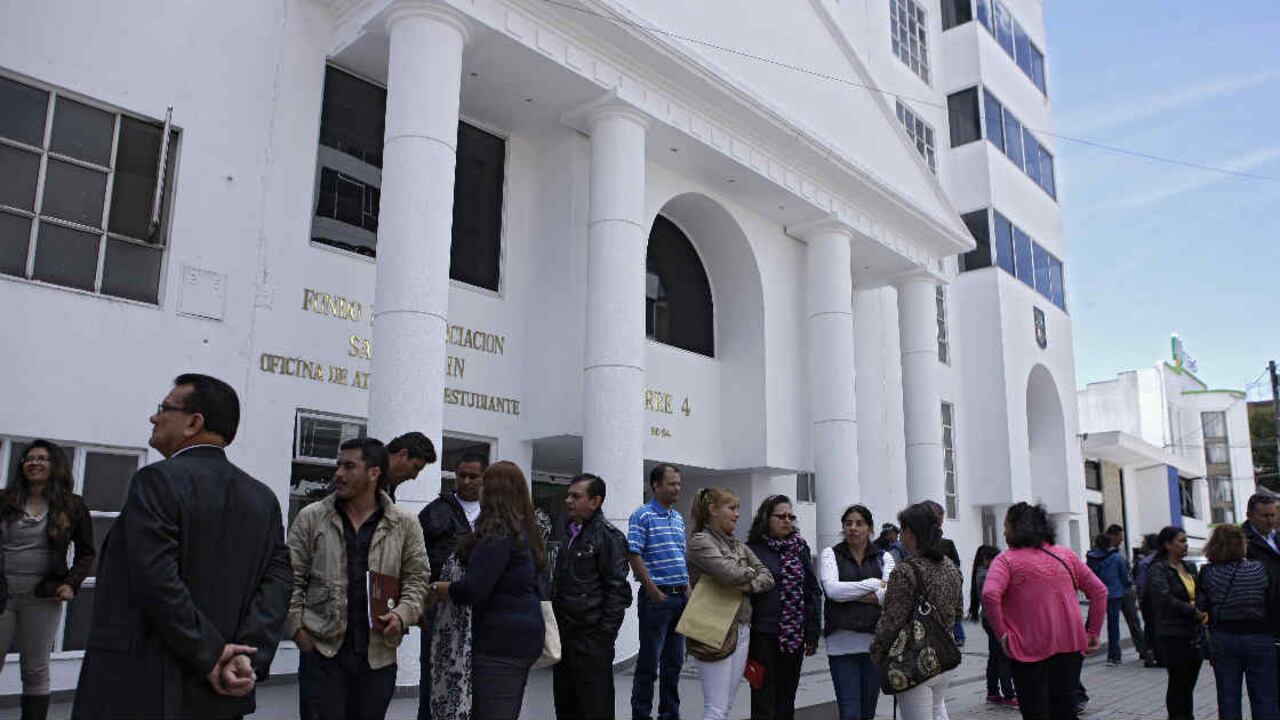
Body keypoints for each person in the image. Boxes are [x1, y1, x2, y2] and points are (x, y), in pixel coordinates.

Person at [72, 374, 293, 720]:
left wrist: (212, 654)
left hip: (145, 685)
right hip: (221, 693)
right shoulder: (262, 498)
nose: (154, 417)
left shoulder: (156, 480)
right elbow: (277, 584)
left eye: (164, 409)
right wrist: (245, 656)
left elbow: (156, 578)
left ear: (193, 422)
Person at [287, 437, 429, 720]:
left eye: (349, 466)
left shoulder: (404, 523)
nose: (338, 473)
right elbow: (290, 578)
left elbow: (417, 579)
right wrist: (297, 630)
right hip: (322, 655)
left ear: (374, 472)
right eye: (338, 465)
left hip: (378, 657)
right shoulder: (311, 518)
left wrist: (402, 615)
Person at [430, 461, 545, 720]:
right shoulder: (524, 530)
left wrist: (441, 588)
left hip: (500, 641)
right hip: (520, 637)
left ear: (491, 490)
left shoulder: (498, 532)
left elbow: (474, 589)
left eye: (481, 482)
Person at [982, 502, 1106, 720]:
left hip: (1027, 650)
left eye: (1006, 526)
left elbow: (990, 594)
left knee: (1036, 712)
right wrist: (1092, 631)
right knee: (1066, 711)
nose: (1003, 531)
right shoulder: (1066, 555)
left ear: (1016, 528)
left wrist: (1001, 634)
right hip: (1070, 648)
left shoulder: (1006, 560)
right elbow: (1099, 591)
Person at [0, 440, 94, 720]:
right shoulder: (5, 501)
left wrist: (71, 583)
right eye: (29, 458)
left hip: (43, 596)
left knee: (35, 668)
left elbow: (86, 553)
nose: (34, 463)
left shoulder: (72, 505)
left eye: (42, 458)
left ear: (55, 465)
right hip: (2, 592)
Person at [686, 487, 775, 720]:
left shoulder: (738, 544)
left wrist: (745, 582)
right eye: (731, 508)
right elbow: (729, 574)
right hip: (713, 626)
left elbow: (767, 576)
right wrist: (745, 574)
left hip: (742, 625)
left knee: (726, 704)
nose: (736, 514)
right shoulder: (700, 541)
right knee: (716, 707)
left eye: (737, 509)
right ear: (713, 510)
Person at [871, 503, 963, 720]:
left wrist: (878, 653)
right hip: (944, 654)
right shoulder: (950, 566)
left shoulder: (905, 571)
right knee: (937, 712)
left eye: (902, 530)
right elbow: (958, 610)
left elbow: (891, 621)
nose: (900, 535)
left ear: (911, 532)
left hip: (915, 659)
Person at [551, 473, 632, 720]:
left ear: (595, 502)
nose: (568, 500)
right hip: (565, 637)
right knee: (567, 706)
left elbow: (618, 592)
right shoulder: (570, 534)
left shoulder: (609, 537)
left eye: (576, 496)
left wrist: (603, 636)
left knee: (594, 708)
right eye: (568, 495)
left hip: (591, 641)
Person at [416, 452, 484, 720]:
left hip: (479, 610)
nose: (466, 481)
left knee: (474, 678)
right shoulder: (435, 512)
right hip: (439, 608)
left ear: (484, 479)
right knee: (434, 674)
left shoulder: (493, 515)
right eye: (461, 475)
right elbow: (415, 560)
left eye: (473, 476)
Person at [746, 495, 820, 720]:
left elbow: (811, 590)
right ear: (767, 518)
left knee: (786, 699)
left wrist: (812, 632)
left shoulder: (799, 548)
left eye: (791, 516)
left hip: (793, 636)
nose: (787, 521)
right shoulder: (752, 550)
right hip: (762, 635)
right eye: (781, 516)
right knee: (762, 698)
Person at [1197, 523, 1278, 720]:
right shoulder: (1258, 569)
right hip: (1259, 638)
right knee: (1264, 696)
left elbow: (1202, 605)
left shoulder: (1208, 572)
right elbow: (1272, 602)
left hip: (1224, 638)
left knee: (1228, 697)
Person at [822, 504, 894, 720]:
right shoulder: (830, 554)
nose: (853, 528)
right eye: (848, 523)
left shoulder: (884, 557)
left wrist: (851, 592)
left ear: (870, 529)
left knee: (868, 711)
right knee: (850, 711)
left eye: (859, 523)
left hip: (875, 643)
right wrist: (873, 584)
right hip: (841, 644)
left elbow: (889, 594)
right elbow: (832, 590)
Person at [628, 464, 688, 720]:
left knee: (674, 664)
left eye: (678, 484)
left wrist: (688, 590)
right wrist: (651, 589)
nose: (677, 488)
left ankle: (669, 715)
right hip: (657, 600)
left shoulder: (678, 518)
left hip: (680, 598)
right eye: (672, 483)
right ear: (656, 485)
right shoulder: (642, 515)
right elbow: (633, 552)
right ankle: (641, 715)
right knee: (649, 665)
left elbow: (680, 556)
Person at [1147, 526, 1205, 720]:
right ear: (1167, 544)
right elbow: (1164, 599)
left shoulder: (1188, 567)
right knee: (1178, 682)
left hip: (1193, 632)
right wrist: (1192, 611)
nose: (1185, 544)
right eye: (1181, 540)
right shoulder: (1158, 569)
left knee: (1189, 684)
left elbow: (1198, 593)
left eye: (1186, 540)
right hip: (1173, 633)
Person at [969, 544, 1016, 708]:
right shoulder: (985, 575)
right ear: (985, 559)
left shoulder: (982, 573)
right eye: (994, 559)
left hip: (989, 620)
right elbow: (991, 598)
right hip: (993, 620)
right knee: (1004, 657)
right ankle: (1009, 694)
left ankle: (993, 692)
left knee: (995, 657)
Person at [1243, 492, 1280, 693]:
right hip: (1262, 623)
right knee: (1267, 689)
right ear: (1249, 515)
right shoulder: (1241, 543)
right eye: (1264, 516)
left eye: (1273, 515)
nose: (1270, 520)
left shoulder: (1277, 537)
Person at [921, 500, 965, 648]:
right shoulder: (906, 556)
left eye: (939, 525)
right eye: (934, 525)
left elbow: (956, 570)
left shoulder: (947, 550)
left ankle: (959, 636)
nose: (938, 530)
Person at [1105, 524, 1147, 664]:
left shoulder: (1114, 552)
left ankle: (1140, 650)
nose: (1121, 541)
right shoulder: (1111, 554)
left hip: (1115, 592)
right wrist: (1130, 584)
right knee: (1129, 622)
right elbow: (1124, 575)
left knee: (1129, 622)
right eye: (1120, 538)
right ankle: (1137, 651)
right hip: (1120, 590)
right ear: (1113, 535)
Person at [1086, 532, 1130, 666]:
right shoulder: (1118, 558)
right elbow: (1125, 578)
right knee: (1113, 625)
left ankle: (1080, 650)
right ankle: (1114, 656)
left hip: (1097, 595)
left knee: (1090, 623)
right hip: (1115, 594)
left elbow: (1088, 577)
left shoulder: (1091, 558)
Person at [1134, 532, 1164, 667]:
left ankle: (1151, 654)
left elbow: (1141, 584)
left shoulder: (1145, 562)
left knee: (1150, 627)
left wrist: (1141, 599)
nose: (1142, 545)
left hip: (1149, 600)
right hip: (1162, 600)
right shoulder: (1164, 559)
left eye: (1144, 543)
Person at [383, 431, 436, 501]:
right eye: (415, 467)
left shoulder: (387, 485)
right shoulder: (367, 476)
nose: (414, 476)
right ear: (403, 454)